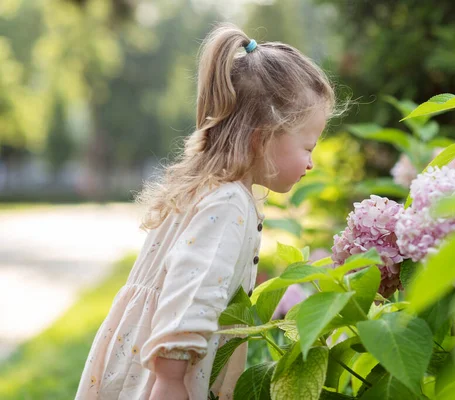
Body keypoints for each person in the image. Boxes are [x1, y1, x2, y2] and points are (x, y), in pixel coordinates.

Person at [75, 22, 340, 400]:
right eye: (308, 147)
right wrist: (170, 380)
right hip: (161, 377)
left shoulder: (209, 189)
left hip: (142, 359)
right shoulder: (228, 203)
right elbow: (191, 294)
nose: (311, 163)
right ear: (263, 137)